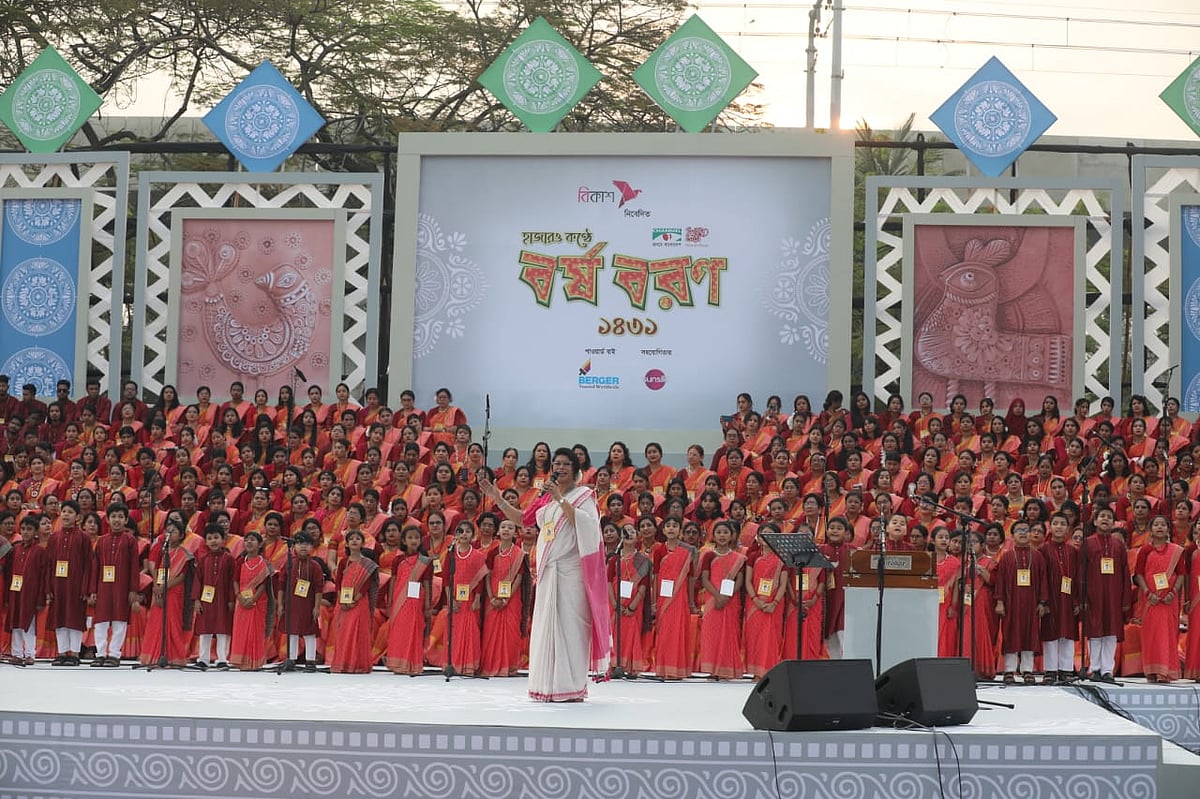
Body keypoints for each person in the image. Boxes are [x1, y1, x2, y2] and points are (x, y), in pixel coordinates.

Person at [481, 447, 610, 702]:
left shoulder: (584, 496)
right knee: (545, 629)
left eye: (565, 464)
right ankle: (546, 686)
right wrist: (496, 496)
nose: (559, 468)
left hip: (571, 574)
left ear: (575, 469)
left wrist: (561, 499)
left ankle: (570, 687)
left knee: (571, 630)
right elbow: (523, 520)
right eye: (556, 464)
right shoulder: (545, 499)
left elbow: (586, 525)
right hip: (549, 573)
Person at [994, 521, 1048, 684]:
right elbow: (1000, 581)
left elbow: (1044, 580)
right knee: (1011, 634)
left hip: (1031, 604)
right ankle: (1009, 670)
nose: (1023, 533)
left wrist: (1042, 602)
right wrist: (1000, 602)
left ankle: (1027, 670)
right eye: (1019, 530)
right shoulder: (1007, 557)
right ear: (1012, 535)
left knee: (1030, 635)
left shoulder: (1037, 556)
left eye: (1026, 530)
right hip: (1011, 603)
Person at [89, 503, 142, 667]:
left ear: (126, 520)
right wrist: (92, 590)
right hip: (103, 586)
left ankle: (114, 654)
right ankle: (100, 653)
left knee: (120, 621)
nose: (117, 520)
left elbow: (134, 566)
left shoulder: (130, 540)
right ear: (108, 520)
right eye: (113, 517)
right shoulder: (101, 541)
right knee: (101, 621)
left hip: (122, 586)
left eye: (120, 517)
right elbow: (95, 567)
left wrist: (134, 589)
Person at [1083, 506, 1131, 682]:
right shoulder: (1087, 543)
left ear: (1114, 522)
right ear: (1095, 521)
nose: (1105, 519)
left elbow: (1125, 573)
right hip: (1093, 595)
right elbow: (1081, 571)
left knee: (1110, 633)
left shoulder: (1118, 545)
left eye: (1109, 517)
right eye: (1101, 516)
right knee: (1095, 632)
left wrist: (1125, 598)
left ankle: (1107, 670)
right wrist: (1082, 597)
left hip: (1113, 595)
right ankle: (1094, 668)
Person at [1134, 515, 1183, 683]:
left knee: (1167, 634)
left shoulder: (1176, 551)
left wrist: (1172, 593)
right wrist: (1148, 593)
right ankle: (1152, 671)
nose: (1160, 527)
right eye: (1156, 524)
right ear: (1151, 529)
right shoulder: (1145, 550)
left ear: (1168, 529)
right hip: (1151, 601)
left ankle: (1165, 672)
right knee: (1152, 635)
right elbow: (1139, 574)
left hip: (1169, 601)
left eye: (1163, 525)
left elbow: (1182, 574)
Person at [140, 522, 195, 667]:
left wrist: (164, 587)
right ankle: (154, 655)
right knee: (156, 623)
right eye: (167, 531)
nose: (169, 534)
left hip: (174, 593)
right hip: (160, 591)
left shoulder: (184, 554)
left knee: (172, 624)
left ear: (182, 535)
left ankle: (173, 657)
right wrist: (157, 588)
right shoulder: (162, 552)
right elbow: (158, 571)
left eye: (174, 532)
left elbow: (182, 576)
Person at [697, 520, 744, 680]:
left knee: (729, 633)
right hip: (712, 600)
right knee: (712, 633)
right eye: (719, 532)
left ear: (732, 536)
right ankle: (712, 669)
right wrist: (718, 596)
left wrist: (726, 596)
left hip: (730, 600)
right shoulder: (709, 555)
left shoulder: (738, 558)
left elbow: (739, 580)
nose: (722, 535)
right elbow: (704, 579)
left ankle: (727, 669)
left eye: (725, 532)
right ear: (713, 536)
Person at [274, 530, 327, 672]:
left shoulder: (315, 566)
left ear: (312, 547)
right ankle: (291, 659)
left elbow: (318, 588)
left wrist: (316, 606)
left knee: (309, 632)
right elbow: (281, 585)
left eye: (307, 544)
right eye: (300, 543)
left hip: (307, 605)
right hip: (291, 605)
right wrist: (280, 604)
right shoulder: (289, 564)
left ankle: (310, 661)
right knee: (292, 632)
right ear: (294, 546)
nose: (303, 547)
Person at [48, 500, 92, 665]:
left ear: (78, 517)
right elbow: (50, 563)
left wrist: (86, 587)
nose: (66, 514)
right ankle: (61, 652)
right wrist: (49, 587)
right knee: (59, 617)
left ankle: (74, 653)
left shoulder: (84, 538)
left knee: (74, 618)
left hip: (76, 585)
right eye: (64, 511)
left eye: (70, 512)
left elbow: (88, 564)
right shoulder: (54, 538)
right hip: (58, 584)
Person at [481, 518, 527, 677]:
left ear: (515, 533)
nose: (506, 530)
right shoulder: (492, 552)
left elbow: (519, 578)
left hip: (511, 599)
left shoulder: (519, 554)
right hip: (492, 598)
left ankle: (508, 667)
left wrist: (506, 598)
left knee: (510, 632)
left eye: (510, 527)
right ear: (498, 531)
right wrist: (492, 597)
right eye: (503, 527)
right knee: (490, 632)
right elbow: (487, 576)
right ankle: (491, 665)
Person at [328, 528, 378, 673]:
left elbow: (368, 584)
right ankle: (343, 663)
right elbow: (338, 582)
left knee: (357, 631)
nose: (354, 541)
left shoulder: (367, 564)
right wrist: (340, 599)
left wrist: (356, 598)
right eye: (351, 539)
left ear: (363, 543)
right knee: (344, 632)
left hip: (359, 602)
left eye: (358, 539)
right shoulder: (344, 562)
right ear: (347, 544)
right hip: (343, 602)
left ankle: (358, 665)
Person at [1039, 512, 1080, 684]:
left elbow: (1078, 577)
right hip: (1051, 598)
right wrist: (1043, 601)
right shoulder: (1043, 550)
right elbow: (1041, 577)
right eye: (1055, 523)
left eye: (1062, 524)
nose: (1059, 527)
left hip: (1069, 597)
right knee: (1051, 634)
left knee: (1068, 634)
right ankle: (1050, 670)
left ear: (1068, 529)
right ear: (1050, 526)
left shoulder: (1073, 551)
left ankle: (1066, 669)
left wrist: (1077, 601)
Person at [386, 525, 433, 675]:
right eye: (410, 537)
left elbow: (427, 583)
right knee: (399, 631)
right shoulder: (398, 560)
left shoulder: (425, 561)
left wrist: (427, 604)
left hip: (415, 600)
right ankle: (397, 663)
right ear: (404, 541)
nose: (414, 540)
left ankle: (412, 663)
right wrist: (390, 600)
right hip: (399, 599)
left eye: (416, 538)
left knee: (413, 629)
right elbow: (393, 580)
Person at [445, 520, 488, 676]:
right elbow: (445, 579)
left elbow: (481, 579)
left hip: (470, 601)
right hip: (455, 600)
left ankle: (468, 666)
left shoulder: (478, 556)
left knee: (471, 632)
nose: (464, 534)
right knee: (454, 632)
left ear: (473, 535)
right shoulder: (450, 554)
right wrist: (450, 599)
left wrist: (477, 599)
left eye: (467, 531)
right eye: (460, 531)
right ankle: (454, 664)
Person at [608, 524, 651, 676]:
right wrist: (614, 603)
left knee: (631, 633)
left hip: (634, 605)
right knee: (615, 633)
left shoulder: (643, 561)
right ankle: (613, 665)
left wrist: (633, 606)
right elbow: (608, 582)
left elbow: (644, 586)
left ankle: (630, 666)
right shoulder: (614, 560)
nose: (629, 533)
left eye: (632, 531)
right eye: (625, 532)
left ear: (638, 536)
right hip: (615, 604)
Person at [192, 524, 236, 670]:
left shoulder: (229, 559)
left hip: (223, 599)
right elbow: (197, 580)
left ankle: (222, 658)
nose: (213, 541)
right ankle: (203, 658)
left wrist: (231, 599)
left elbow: (232, 580)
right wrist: (197, 600)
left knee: (223, 629)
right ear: (205, 541)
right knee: (205, 629)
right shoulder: (203, 559)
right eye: (210, 538)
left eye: (216, 538)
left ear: (223, 540)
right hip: (206, 599)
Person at [7, 515, 49, 665]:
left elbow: (44, 576)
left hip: (31, 594)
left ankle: (30, 653)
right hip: (15, 592)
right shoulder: (15, 550)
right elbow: (9, 573)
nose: (25, 532)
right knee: (15, 623)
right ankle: (17, 653)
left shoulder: (40, 551)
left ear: (36, 532)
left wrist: (41, 597)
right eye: (23, 529)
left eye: (29, 529)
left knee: (28, 624)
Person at [229, 531, 274, 671]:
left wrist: (253, 599)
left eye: (252, 540)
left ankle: (254, 661)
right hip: (241, 600)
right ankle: (240, 661)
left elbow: (263, 585)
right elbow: (235, 580)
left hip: (257, 602)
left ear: (260, 544)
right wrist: (239, 597)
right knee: (241, 631)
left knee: (255, 630)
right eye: (246, 540)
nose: (248, 542)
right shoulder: (240, 562)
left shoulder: (264, 564)